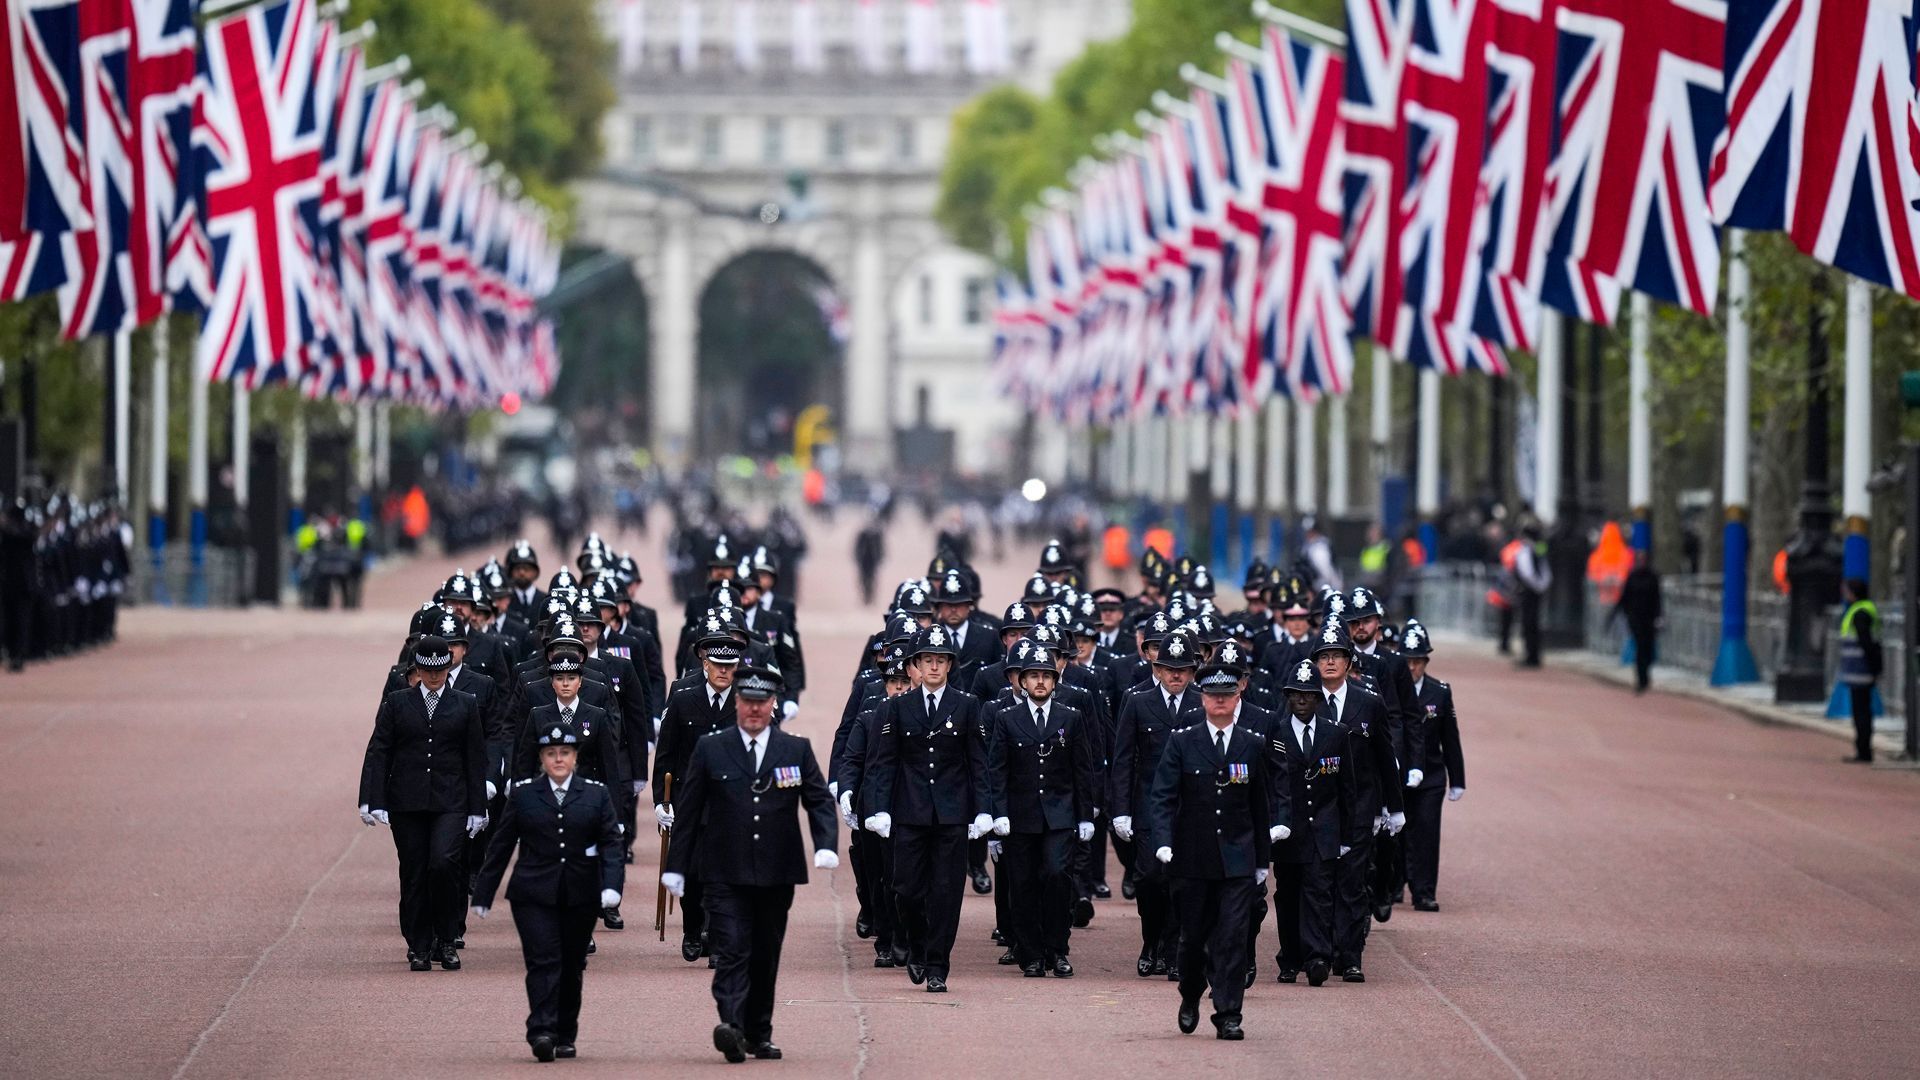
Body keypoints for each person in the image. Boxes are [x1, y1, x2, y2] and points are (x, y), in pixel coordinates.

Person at [662, 660, 839, 1063]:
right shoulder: (712, 748)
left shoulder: (794, 749)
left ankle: (759, 1032)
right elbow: (689, 812)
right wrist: (676, 866)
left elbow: (818, 801)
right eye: (747, 701)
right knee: (731, 948)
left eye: (762, 702)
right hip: (724, 869)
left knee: (765, 953)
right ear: (737, 703)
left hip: (777, 872)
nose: (754, 710)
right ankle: (732, 1025)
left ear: (773, 704)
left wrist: (824, 842)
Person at [470, 721, 625, 1062]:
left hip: (581, 893)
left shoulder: (595, 794)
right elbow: (501, 845)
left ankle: (565, 1031)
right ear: (541, 758)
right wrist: (483, 894)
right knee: (543, 960)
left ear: (574, 758)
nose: (558, 759)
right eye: (551, 754)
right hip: (532, 893)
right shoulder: (525, 795)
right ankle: (541, 1029)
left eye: (565, 753)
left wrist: (612, 887)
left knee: (571, 964)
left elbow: (612, 844)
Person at [1144, 662, 1278, 1040]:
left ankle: (1229, 1014)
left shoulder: (1252, 744)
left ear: (1238, 698)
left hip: (1237, 859)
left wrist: (1261, 861)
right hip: (1192, 857)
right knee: (1192, 941)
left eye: (1227, 695)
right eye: (1213, 696)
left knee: (1233, 936)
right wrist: (1164, 842)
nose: (1220, 701)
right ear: (1203, 698)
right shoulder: (1182, 741)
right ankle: (1190, 994)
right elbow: (1163, 797)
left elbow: (1260, 806)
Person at [863, 624, 990, 994]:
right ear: (915, 665)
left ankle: (937, 964)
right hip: (909, 812)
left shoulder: (967, 706)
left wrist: (983, 810)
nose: (934, 667)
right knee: (905, 889)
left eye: (940, 660)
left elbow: (978, 762)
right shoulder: (897, 707)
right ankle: (917, 943)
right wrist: (879, 808)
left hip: (952, 814)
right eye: (927, 660)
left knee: (947, 892)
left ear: (950, 665)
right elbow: (884, 762)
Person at [358, 635, 490, 972]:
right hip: (408, 801)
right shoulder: (398, 703)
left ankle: (447, 939)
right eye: (428, 670)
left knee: (445, 865)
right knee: (414, 872)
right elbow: (380, 750)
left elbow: (475, 758)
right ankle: (418, 943)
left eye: (441, 670)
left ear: (449, 667)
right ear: (416, 668)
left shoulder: (465, 703)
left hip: (451, 799)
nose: (434, 677)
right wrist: (371, 798)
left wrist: (478, 807)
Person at [984, 646, 1096, 978]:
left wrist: (1086, 815)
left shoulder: (1070, 718)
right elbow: (997, 771)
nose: (1040, 682)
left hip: (1059, 816)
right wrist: (997, 814)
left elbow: (1082, 770)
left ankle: (1057, 949)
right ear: (1022, 681)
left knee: (1057, 876)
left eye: (1046, 676)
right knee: (1022, 884)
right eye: (1034, 675)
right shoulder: (1006, 719)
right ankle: (1031, 953)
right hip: (1019, 817)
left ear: (1055, 681)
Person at [1110, 630, 1205, 978]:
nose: (1176, 675)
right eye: (1169, 668)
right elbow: (1123, 759)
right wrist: (1120, 809)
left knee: (1182, 880)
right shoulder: (1137, 701)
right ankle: (1151, 940)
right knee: (1150, 878)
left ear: (1193, 670)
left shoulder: (1203, 701)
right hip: (1149, 805)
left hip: (1193, 806)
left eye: (1183, 668)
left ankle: (1173, 947)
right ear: (1157, 667)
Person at [1267, 658, 1362, 985]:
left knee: (1320, 893)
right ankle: (1290, 958)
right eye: (1296, 695)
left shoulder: (1336, 734)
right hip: (1288, 832)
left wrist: (1346, 834)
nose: (1302, 701)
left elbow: (1347, 788)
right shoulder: (1274, 732)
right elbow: (1269, 785)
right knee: (1288, 895)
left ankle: (1318, 956)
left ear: (1319, 698)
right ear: (1288, 697)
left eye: (1308, 695)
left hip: (1324, 830)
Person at [1397, 623, 1465, 911]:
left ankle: (1424, 892)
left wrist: (1458, 779)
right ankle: (1394, 885)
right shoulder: (1387, 691)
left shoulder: (1439, 692)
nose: (1412, 667)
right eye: (1408, 661)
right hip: (1397, 774)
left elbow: (1450, 737)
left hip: (1431, 774)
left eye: (1418, 661)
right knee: (1396, 833)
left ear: (1426, 661)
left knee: (1426, 832)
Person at [1838, 579, 1882, 763]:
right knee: (1863, 711)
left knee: (1861, 712)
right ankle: (1863, 749)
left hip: (1861, 671)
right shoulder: (1865, 609)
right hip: (1862, 671)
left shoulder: (1860, 612)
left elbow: (1866, 643)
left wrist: (1874, 667)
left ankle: (1863, 751)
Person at [1611, 551, 1665, 693]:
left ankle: (1645, 675)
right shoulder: (1632, 576)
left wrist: (1659, 617)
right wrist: (1614, 614)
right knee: (1640, 647)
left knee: (1647, 648)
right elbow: (1624, 597)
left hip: (1650, 618)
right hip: (1635, 618)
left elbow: (1658, 599)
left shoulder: (1653, 577)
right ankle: (1641, 679)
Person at [1513, 523, 1550, 668]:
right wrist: (1542, 585)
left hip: (1528, 591)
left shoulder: (1526, 550)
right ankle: (1533, 655)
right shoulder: (1538, 549)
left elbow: (1527, 572)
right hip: (1536, 590)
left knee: (1529, 624)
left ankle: (1531, 655)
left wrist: (1537, 585)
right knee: (1533, 623)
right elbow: (1545, 570)